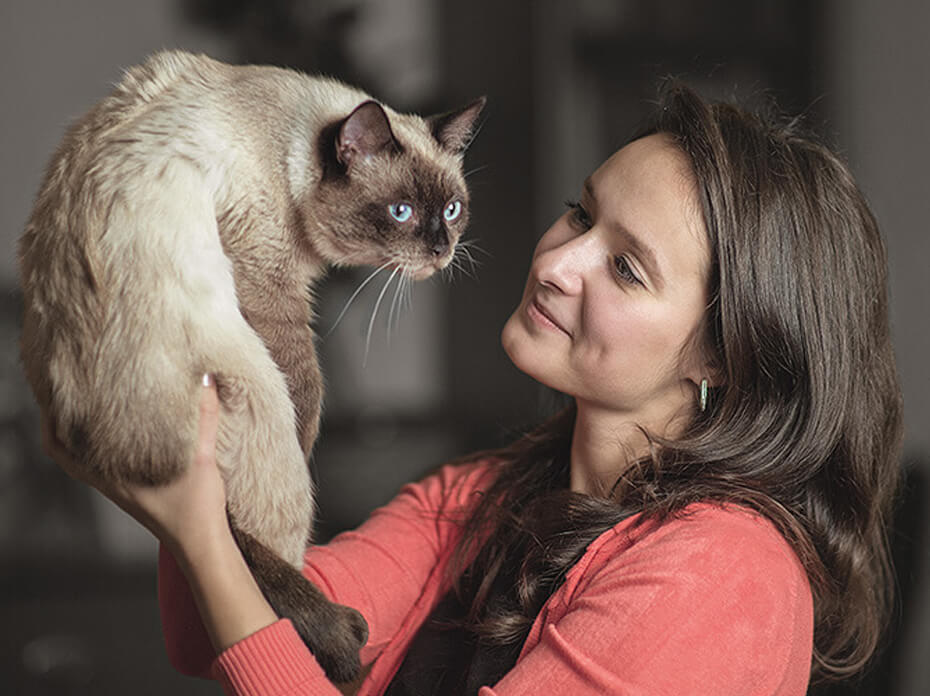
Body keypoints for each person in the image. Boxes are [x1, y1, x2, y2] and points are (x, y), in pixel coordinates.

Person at [43, 82, 902, 695]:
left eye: (626, 268)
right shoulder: (480, 497)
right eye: (580, 212)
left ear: (721, 357)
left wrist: (201, 532)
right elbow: (225, 636)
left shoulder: (723, 574)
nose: (557, 260)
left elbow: (225, 591)